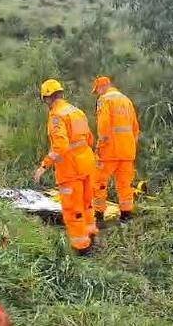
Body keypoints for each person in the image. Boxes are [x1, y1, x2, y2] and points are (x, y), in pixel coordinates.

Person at [34, 79, 98, 256]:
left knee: (73, 209)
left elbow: (60, 147)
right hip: (87, 164)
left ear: (47, 98)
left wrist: (44, 165)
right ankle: (91, 235)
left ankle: (82, 248)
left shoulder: (56, 116)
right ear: (61, 94)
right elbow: (90, 139)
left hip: (71, 170)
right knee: (87, 204)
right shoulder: (76, 111)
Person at [91, 76, 140, 228]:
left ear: (101, 87)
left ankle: (98, 216)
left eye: (97, 91)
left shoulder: (105, 100)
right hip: (127, 151)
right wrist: (131, 145)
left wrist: (100, 144)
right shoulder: (126, 100)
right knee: (125, 184)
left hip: (109, 151)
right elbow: (135, 128)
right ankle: (126, 216)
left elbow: (103, 125)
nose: (97, 94)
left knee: (99, 183)